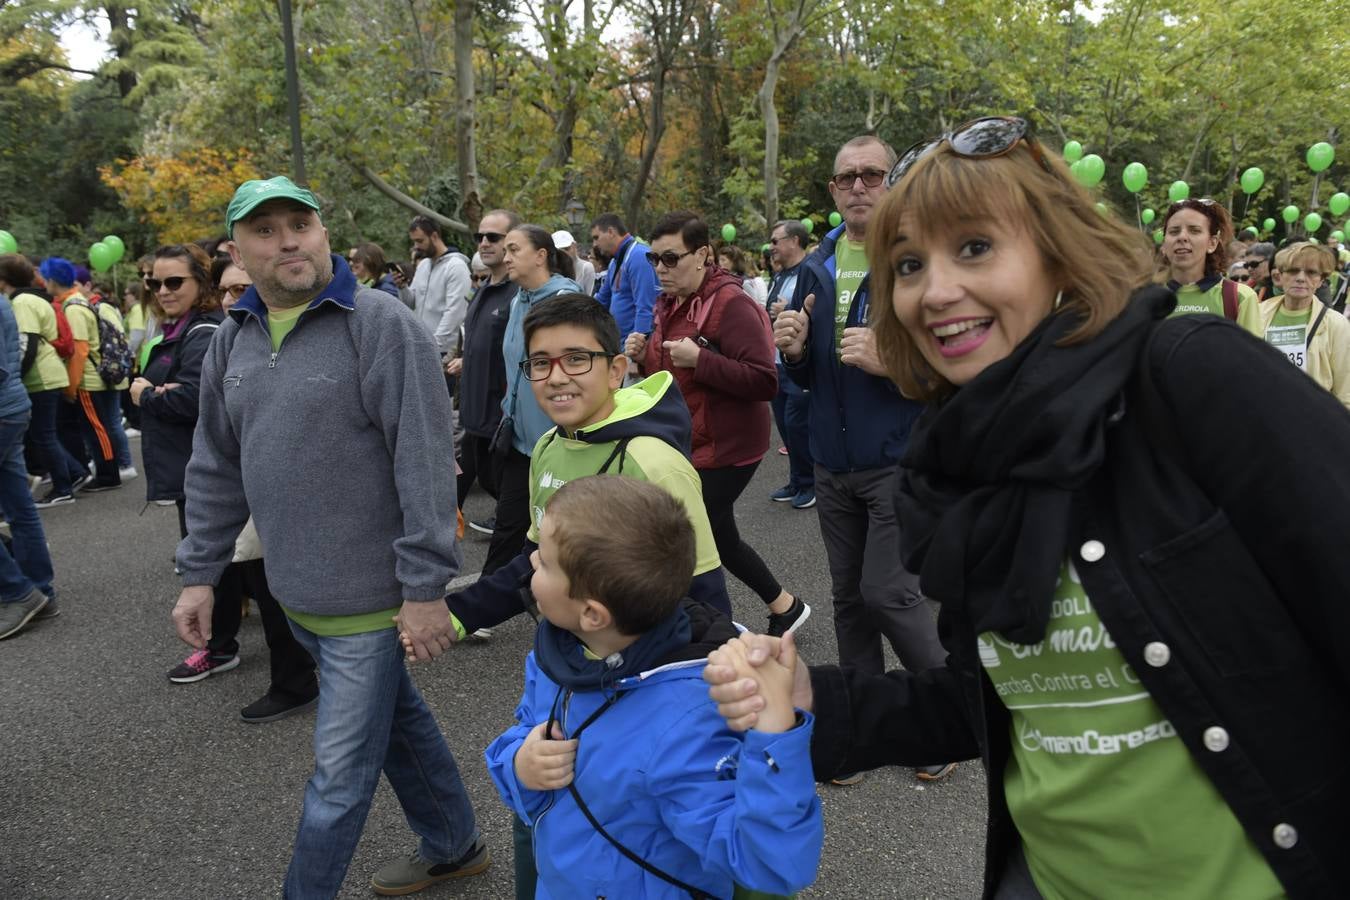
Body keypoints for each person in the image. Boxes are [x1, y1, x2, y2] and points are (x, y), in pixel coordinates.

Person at [707, 115, 1347, 899]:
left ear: (1056, 251)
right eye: (907, 264)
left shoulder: (1186, 377)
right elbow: (999, 700)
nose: (936, 291)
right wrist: (813, 696)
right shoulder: (955, 460)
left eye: (974, 247)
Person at [172, 176, 486, 898]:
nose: (287, 240)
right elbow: (216, 467)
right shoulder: (232, 341)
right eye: (265, 230)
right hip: (296, 596)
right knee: (399, 729)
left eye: (300, 224)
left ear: (323, 232)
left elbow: (427, 463)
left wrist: (424, 589)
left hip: (371, 609)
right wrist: (199, 573)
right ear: (238, 251)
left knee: (338, 782)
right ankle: (455, 842)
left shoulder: (379, 325)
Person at [445, 293, 733, 897]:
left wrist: (710, 710)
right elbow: (533, 565)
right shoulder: (549, 446)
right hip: (564, 671)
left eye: (577, 359)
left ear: (616, 368)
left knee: (635, 825)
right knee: (546, 806)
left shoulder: (652, 462)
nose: (556, 376)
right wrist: (459, 614)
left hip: (643, 695)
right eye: (540, 362)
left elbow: (703, 595)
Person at [483, 475, 823, 899]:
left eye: (546, 562)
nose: (532, 563)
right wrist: (519, 763)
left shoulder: (690, 718)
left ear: (592, 614)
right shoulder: (562, 652)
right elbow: (525, 727)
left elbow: (767, 863)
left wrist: (775, 737)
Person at [774, 136, 953, 785]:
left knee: (889, 592)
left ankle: (952, 716)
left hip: (895, 460)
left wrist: (893, 363)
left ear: (890, 182)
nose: (858, 186)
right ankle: (861, 731)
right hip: (831, 461)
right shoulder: (813, 267)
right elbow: (802, 379)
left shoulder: (916, 259)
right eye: (846, 176)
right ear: (831, 189)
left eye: (871, 174)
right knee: (850, 600)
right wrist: (792, 354)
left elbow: (951, 367)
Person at [625, 211, 807, 637]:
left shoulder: (734, 304)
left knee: (682, 537)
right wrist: (641, 355)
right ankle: (786, 607)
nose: (660, 269)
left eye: (671, 259)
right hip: (688, 441)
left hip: (727, 448)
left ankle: (706, 632)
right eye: (654, 259)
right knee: (718, 536)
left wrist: (703, 360)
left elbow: (764, 380)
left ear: (704, 254)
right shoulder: (668, 301)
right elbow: (667, 370)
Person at [482, 224, 580, 576]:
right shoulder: (515, 301)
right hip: (520, 442)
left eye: (513, 249)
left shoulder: (564, 302)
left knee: (559, 531)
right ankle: (495, 603)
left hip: (559, 444)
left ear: (541, 256)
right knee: (511, 526)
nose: (505, 257)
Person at [132, 244, 224, 544]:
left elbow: (194, 399)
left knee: (217, 573)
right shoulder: (180, 328)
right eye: (154, 283)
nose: (162, 291)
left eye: (174, 282)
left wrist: (147, 395)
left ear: (201, 280)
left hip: (205, 472)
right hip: (190, 466)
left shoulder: (204, 330)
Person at [452, 210, 521, 531]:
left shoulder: (520, 293)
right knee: (462, 484)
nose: (483, 242)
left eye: (493, 237)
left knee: (507, 496)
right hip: (473, 417)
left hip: (501, 421)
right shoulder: (481, 290)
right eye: (480, 236)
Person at [0, 255, 87, 507]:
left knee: (43, 435)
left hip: (40, 374)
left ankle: (63, 486)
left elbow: (27, 343)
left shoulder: (22, 302)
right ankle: (75, 472)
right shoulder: (32, 297)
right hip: (49, 372)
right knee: (45, 433)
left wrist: (17, 374)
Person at [0, 291, 59, 639]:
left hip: (4, 409)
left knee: (19, 507)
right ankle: (40, 592)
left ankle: (18, 592)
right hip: (10, 407)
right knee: (19, 507)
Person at [44, 258, 122, 492]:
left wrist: (70, 386)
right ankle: (105, 471)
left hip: (86, 378)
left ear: (52, 281)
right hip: (88, 377)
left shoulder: (74, 307)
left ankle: (109, 475)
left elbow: (79, 351)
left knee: (97, 429)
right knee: (97, 427)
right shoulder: (77, 301)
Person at [1259, 241, 1350, 407]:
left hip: (1313, 421)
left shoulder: (1336, 324)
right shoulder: (1258, 314)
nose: (1301, 278)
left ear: (1321, 280)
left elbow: (1345, 391)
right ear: (1279, 276)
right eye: (1293, 271)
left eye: (1311, 272)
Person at [765, 219, 815, 508]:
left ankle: (811, 483)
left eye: (776, 240)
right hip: (776, 361)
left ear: (794, 241)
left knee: (798, 424)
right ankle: (797, 480)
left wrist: (791, 311)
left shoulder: (812, 270)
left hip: (800, 362)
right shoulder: (780, 274)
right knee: (785, 425)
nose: (771, 247)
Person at [1159, 199, 1262, 335]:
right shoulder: (1145, 298)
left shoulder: (1239, 297)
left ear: (1212, 243)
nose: (1182, 237)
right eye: (1174, 231)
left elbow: (1251, 355)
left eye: (1194, 231)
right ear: (1164, 244)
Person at [395, 215, 472, 363]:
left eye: (420, 240)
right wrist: (402, 287)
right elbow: (411, 304)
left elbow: (455, 313)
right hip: (422, 345)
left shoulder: (456, 266)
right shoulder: (423, 265)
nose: (416, 246)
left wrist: (434, 346)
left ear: (434, 236)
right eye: (414, 241)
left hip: (445, 352)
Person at [591, 212, 659, 342]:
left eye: (596, 237)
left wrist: (636, 353)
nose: (594, 244)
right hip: (619, 344)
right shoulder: (615, 261)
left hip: (633, 348)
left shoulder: (638, 256)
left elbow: (645, 308)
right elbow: (601, 300)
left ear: (611, 232)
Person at [552, 229, 596, 295]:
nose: (564, 253)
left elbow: (590, 297)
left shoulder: (586, 267)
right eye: (559, 251)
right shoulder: (549, 270)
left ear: (574, 246)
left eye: (567, 249)